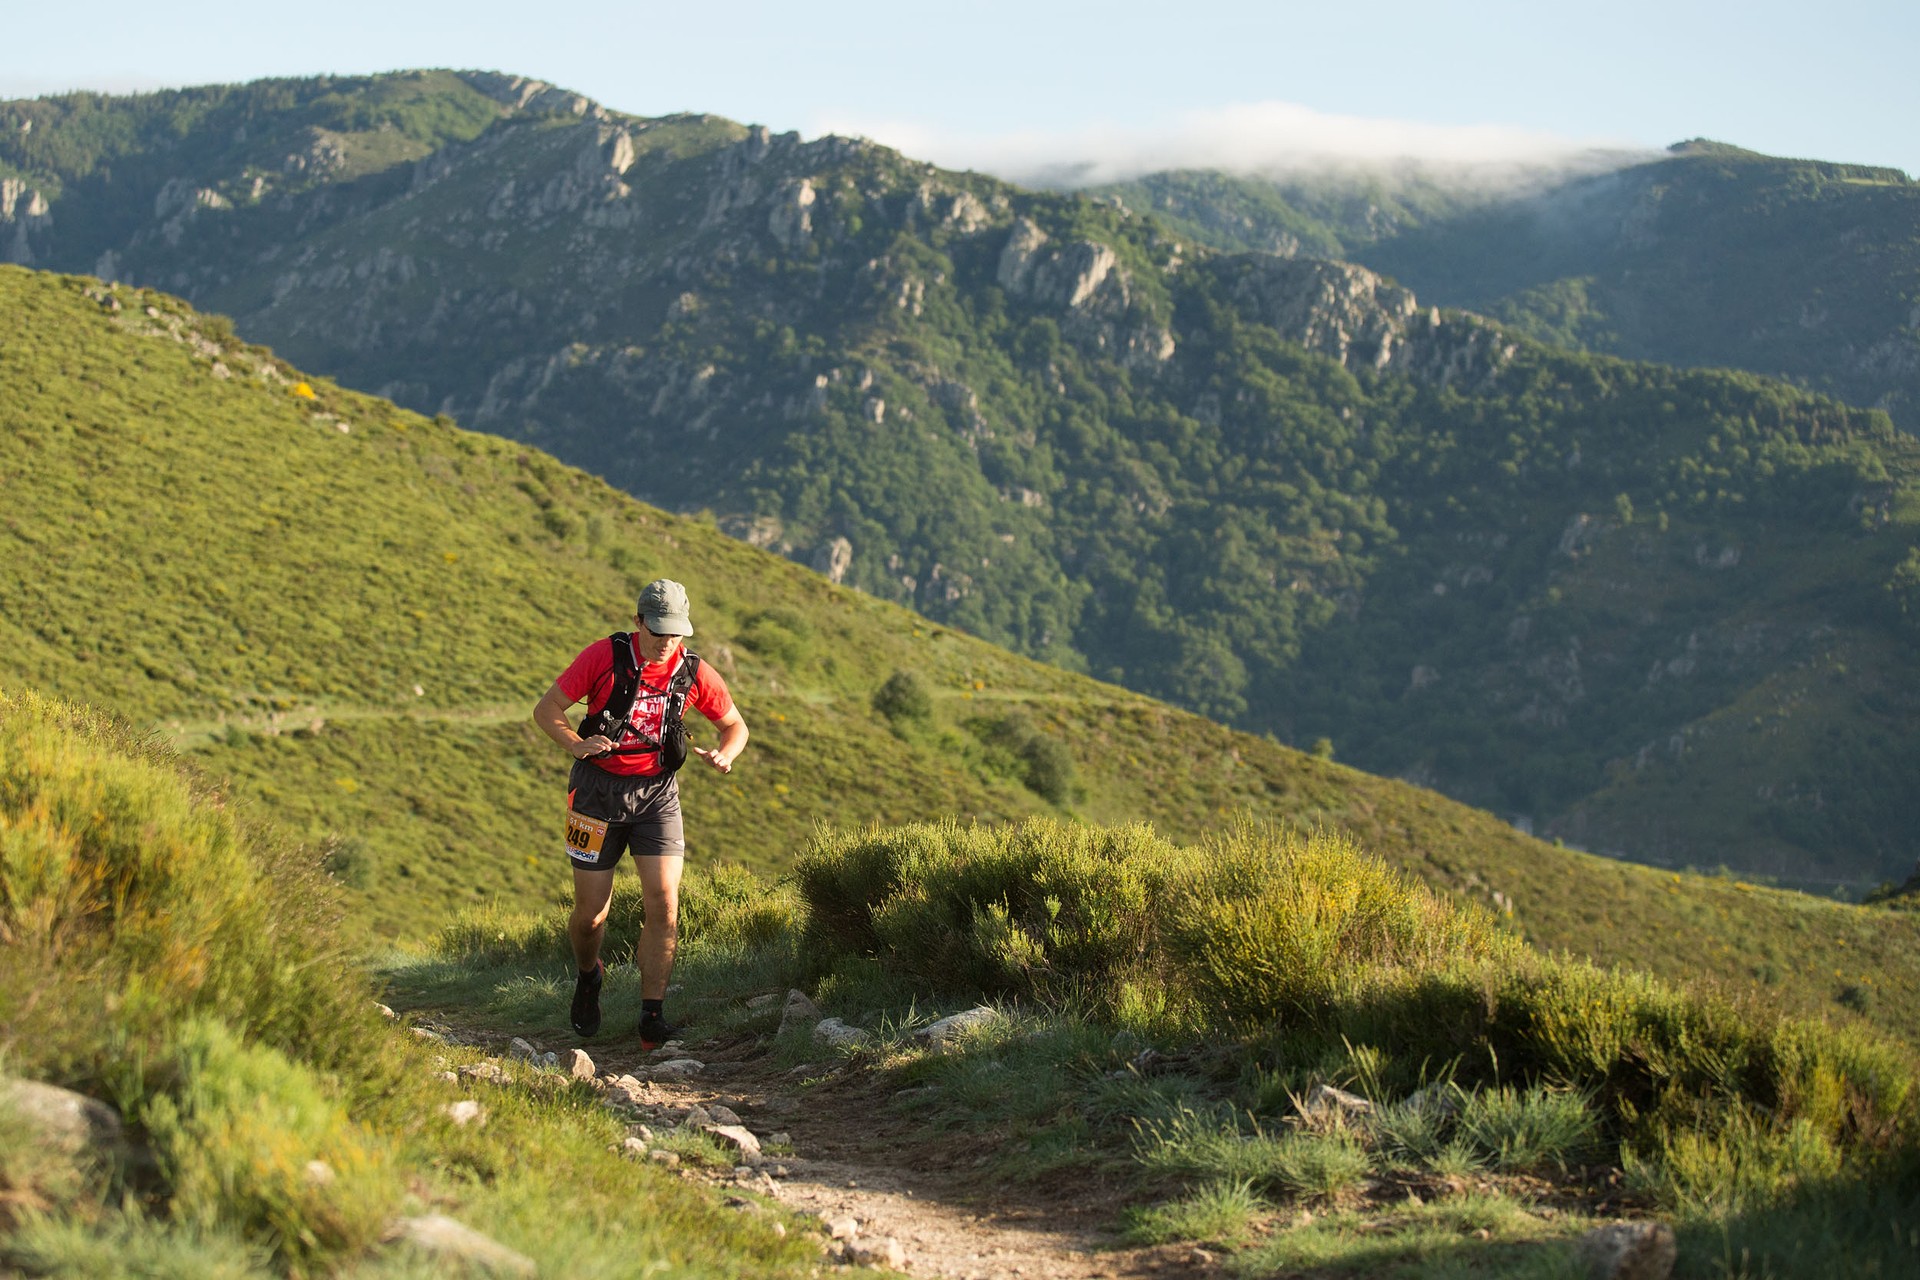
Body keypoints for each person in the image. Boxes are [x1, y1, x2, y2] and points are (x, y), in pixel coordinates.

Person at [532, 579, 748, 1047]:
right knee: (591, 915)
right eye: (657, 632)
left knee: (665, 904)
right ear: (638, 622)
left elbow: (735, 725)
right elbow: (546, 708)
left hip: (657, 795)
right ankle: (589, 976)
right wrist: (576, 743)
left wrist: (727, 754)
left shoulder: (693, 672)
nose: (666, 642)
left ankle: (652, 1017)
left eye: (675, 633)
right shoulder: (603, 657)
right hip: (595, 796)